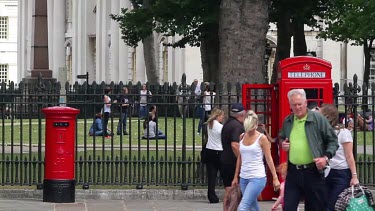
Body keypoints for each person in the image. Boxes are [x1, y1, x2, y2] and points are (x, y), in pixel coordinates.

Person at [280, 89, 338, 210]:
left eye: (299, 104)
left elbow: (333, 141)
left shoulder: (318, 119)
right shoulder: (288, 121)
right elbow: (281, 137)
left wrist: (325, 158)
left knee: (314, 208)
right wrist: (283, 144)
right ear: (290, 105)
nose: (297, 107)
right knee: (288, 207)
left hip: (313, 171)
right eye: (294, 105)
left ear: (306, 102)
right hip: (293, 172)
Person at [231, 110, 280, 211]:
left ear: (256, 124)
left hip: (257, 178)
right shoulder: (242, 136)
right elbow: (240, 157)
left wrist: (275, 177)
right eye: (248, 128)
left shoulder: (262, 138)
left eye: (252, 127)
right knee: (253, 206)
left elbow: (269, 158)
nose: (250, 130)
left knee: (243, 207)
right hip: (243, 178)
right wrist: (236, 176)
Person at [317, 104, 359, 211]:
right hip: (325, 172)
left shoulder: (343, 133)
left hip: (341, 174)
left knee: (332, 206)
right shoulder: (321, 132)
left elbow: (349, 156)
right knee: (323, 205)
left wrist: (354, 176)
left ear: (327, 117)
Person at [220, 103, 246, 209]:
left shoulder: (228, 123)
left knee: (228, 190)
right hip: (232, 162)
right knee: (233, 192)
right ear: (242, 114)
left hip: (224, 160)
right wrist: (242, 159)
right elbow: (235, 145)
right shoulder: (237, 126)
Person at [204, 108, 225, 203]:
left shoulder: (209, 124)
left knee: (211, 175)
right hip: (218, 151)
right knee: (225, 174)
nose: (223, 117)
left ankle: (211, 196)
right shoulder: (220, 127)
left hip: (209, 151)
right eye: (222, 116)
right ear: (218, 116)